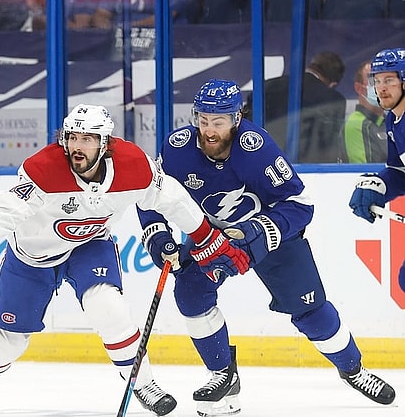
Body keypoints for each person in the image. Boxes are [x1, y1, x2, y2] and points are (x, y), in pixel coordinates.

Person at [0, 104, 250, 415]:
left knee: (108, 308)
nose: (76, 146)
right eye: (71, 137)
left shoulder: (133, 165)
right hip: (34, 253)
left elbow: (173, 199)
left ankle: (144, 384)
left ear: (105, 143)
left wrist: (208, 237)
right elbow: (3, 211)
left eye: (87, 138)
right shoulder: (44, 169)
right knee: (7, 342)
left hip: (90, 244)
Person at [137, 79, 395, 416]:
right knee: (190, 294)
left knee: (311, 312)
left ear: (237, 117)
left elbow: (300, 204)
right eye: (203, 121)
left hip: (273, 236)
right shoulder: (177, 148)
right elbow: (150, 193)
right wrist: (156, 233)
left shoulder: (257, 149)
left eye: (219, 122)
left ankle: (353, 370)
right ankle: (223, 377)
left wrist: (257, 233)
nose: (209, 131)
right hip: (211, 237)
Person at [349, 47, 405, 294]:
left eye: (390, 80)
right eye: (378, 81)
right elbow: (398, 170)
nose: (381, 87)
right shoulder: (394, 119)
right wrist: (379, 186)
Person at [249, 51, 347, 163]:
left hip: (262, 162)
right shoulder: (333, 99)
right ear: (333, 84)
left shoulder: (266, 87)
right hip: (307, 170)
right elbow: (329, 144)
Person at [340, 60, 386, 163]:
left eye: (385, 80)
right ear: (359, 88)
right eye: (373, 81)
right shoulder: (356, 124)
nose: (382, 87)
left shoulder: (392, 121)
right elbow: (367, 175)